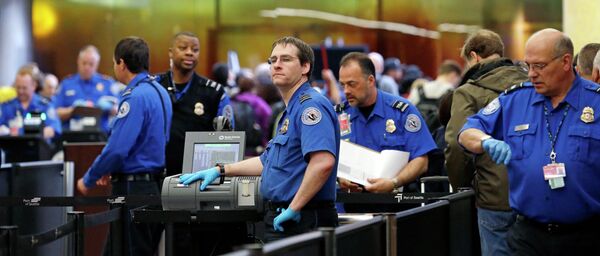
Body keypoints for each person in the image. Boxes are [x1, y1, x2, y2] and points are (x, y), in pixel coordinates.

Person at [179, 36, 340, 242]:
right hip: (288, 216)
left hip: (303, 218)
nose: (277, 65)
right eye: (273, 60)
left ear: (305, 67)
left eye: (286, 59)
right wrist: (221, 170)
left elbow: (322, 162)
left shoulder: (310, 106)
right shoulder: (290, 111)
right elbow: (267, 161)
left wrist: (295, 207)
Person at [458, 28, 600, 255]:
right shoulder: (516, 99)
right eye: (528, 65)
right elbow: (466, 132)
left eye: (539, 66)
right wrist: (485, 140)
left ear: (565, 62)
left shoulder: (595, 101)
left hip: (586, 235)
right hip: (528, 235)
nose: (531, 74)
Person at [76, 37, 172, 256]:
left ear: (121, 63)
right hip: (154, 186)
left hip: (133, 190)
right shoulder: (159, 91)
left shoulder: (135, 97)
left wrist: (89, 178)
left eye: (113, 62)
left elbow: (117, 148)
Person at [445, 29, 528, 256]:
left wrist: (462, 186)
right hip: (534, 195)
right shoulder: (532, 85)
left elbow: (456, 145)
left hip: (494, 196)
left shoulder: (467, 92)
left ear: (474, 56)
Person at [335, 52, 436, 196]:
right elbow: (326, 158)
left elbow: (421, 161)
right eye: (342, 85)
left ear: (370, 80)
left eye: (352, 84)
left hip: (397, 203)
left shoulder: (402, 111)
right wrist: (340, 177)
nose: (346, 91)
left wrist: (394, 182)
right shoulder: (339, 116)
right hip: (354, 204)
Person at [155, 31, 234, 176]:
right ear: (171, 53)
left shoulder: (214, 92)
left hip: (197, 176)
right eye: (183, 48)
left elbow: (227, 137)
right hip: (156, 174)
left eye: (195, 50)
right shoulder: (154, 87)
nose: (190, 53)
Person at [54, 45, 119, 133]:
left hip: (101, 136)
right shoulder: (67, 84)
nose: (87, 67)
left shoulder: (107, 83)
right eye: (84, 63)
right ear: (78, 61)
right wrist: (72, 110)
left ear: (97, 64)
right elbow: (55, 113)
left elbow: (120, 110)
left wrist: (110, 108)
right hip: (72, 136)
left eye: (91, 64)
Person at [0, 68, 61, 139]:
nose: (20, 91)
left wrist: (22, 133)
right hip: (11, 148)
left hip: (36, 147)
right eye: (18, 87)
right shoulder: (7, 106)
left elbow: (54, 129)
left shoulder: (44, 105)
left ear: (34, 86)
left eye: (24, 88)